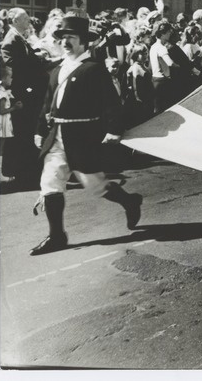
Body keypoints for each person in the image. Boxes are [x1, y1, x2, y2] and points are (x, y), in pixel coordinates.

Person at [31, 16, 143, 255]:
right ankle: (57, 236)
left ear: (84, 41)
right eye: (62, 38)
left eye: (71, 37)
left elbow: (112, 103)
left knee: (95, 186)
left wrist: (114, 130)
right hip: (57, 136)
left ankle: (130, 201)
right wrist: (41, 130)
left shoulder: (93, 69)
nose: (65, 42)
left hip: (82, 138)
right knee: (50, 183)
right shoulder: (57, 69)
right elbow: (48, 104)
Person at [0, 8, 51, 183]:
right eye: (24, 18)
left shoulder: (18, 37)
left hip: (28, 90)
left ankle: (27, 169)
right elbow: (13, 63)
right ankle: (21, 172)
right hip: (23, 92)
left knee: (27, 130)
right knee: (23, 130)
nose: (28, 21)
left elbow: (25, 58)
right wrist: (37, 63)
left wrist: (37, 57)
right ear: (14, 21)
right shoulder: (11, 38)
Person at [0, 66, 23, 183]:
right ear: (3, 78)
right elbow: (1, 111)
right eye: (10, 76)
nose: (12, 79)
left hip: (3, 122)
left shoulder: (3, 91)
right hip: (1, 123)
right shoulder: (1, 93)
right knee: (0, 149)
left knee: (1, 148)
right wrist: (15, 107)